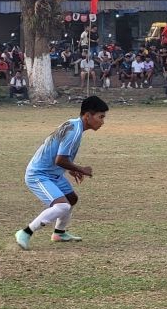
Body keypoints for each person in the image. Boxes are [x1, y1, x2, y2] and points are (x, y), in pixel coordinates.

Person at [14, 96, 108, 250]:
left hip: (52, 174)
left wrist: (71, 169)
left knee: (71, 198)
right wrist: (80, 169)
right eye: (101, 117)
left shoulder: (75, 125)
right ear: (88, 116)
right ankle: (25, 232)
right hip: (39, 175)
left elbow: (59, 155)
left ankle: (59, 233)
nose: (103, 121)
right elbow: (60, 160)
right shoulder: (74, 131)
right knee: (62, 206)